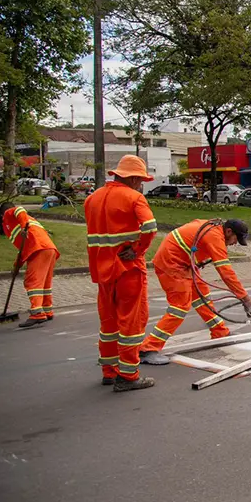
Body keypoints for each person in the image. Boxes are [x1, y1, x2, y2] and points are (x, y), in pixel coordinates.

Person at [139, 219, 251, 365]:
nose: (234, 244)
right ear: (228, 232)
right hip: (172, 265)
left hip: (185, 264)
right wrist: (245, 299)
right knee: (179, 308)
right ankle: (148, 348)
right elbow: (226, 273)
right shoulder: (215, 236)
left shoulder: (214, 229)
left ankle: (220, 333)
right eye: (235, 239)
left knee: (203, 299)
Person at [84, 155, 157, 392]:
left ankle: (109, 371)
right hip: (128, 270)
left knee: (108, 322)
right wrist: (137, 250)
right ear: (134, 178)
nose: (141, 184)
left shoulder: (92, 198)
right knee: (131, 322)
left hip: (102, 270)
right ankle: (128, 375)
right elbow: (150, 228)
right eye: (141, 180)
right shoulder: (134, 198)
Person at [0, 202, 60, 329]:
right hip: (49, 248)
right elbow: (22, 249)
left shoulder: (10, 214)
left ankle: (37, 313)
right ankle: (47, 310)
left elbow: (19, 209)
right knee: (44, 284)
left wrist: (22, 227)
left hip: (38, 249)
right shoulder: (28, 221)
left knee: (33, 282)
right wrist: (17, 265)